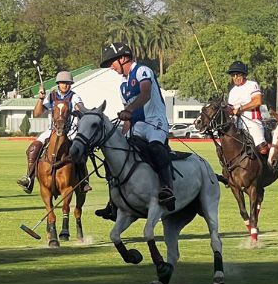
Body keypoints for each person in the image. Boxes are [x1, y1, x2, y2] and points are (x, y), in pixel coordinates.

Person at [97, 42, 176, 220]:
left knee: (156, 147)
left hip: (156, 121)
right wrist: (123, 135)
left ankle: (167, 188)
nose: (111, 67)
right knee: (119, 155)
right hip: (138, 126)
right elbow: (127, 116)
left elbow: (145, 94)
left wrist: (130, 109)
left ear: (123, 58)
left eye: (112, 62)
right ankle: (113, 202)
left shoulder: (142, 71)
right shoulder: (123, 86)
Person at [16, 70, 90, 194]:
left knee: (80, 152)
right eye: (62, 83)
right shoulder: (51, 96)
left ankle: (83, 181)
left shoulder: (74, 97)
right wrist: (40, 99)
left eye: (67, 83)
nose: (65, 85)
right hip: (52, 131)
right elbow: (37, 114)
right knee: (32, 149)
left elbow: (80, 109)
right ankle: (30, 178)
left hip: (70, 132)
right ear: (58, 84)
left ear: (70, 84)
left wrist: (82, 111)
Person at [225, 61, 269, 156]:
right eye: (233, 75)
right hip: (237, 124)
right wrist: (226, 109)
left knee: (262, 150)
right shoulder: (232, 91)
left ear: (244, 75)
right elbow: (230, 108)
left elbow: (257, 101)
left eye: (238, 74)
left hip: (252, 122)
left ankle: (272, 167)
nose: (235, 77)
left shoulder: (252, 85)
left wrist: (241, 109)